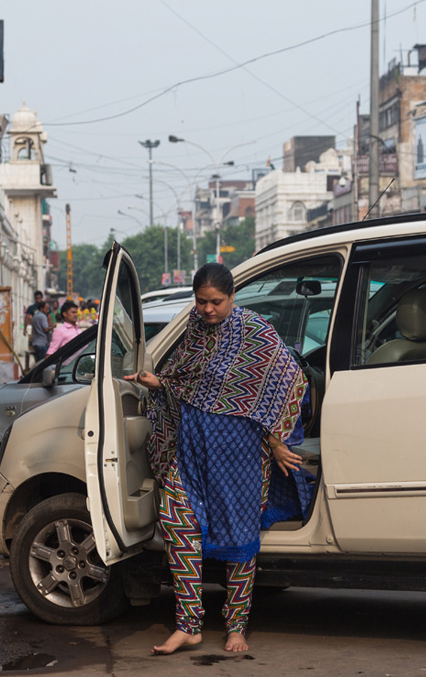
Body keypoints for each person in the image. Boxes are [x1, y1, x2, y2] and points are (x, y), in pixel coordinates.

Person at [127, 263, 309, 656]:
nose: (208, 309)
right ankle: (188, 625)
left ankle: (236, 626)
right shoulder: (194, 329)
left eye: (216, 302)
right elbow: (186, 381)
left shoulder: (255, 331)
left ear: (232, 297)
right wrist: (157, 383)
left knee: (239, 539)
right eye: (201, 301)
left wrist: (277, 441)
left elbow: (290, 379)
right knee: (178, 524)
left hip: (239, 454)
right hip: (190, 447)